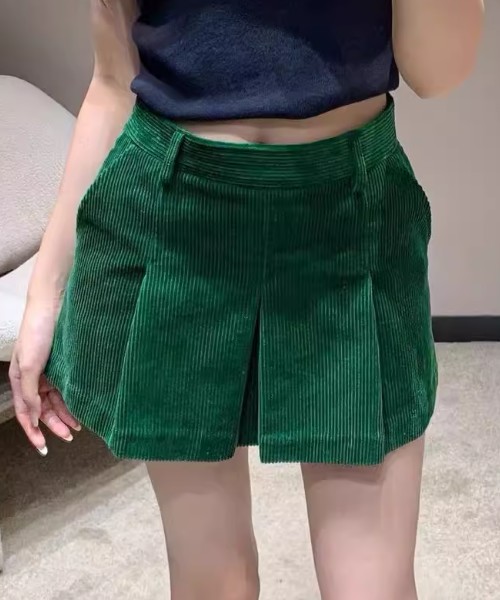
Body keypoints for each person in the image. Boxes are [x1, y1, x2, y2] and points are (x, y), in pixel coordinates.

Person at [9, 1, 483, 599]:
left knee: (372, 585)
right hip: (175, 220)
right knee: (211, 580)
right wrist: (44, 294)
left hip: (349, 217)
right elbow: (112, 83)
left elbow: (439, 72)